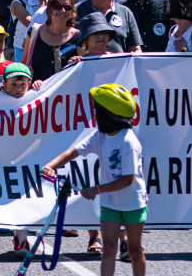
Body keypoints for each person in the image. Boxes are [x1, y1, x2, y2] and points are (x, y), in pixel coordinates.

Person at [42, 84, 147, 276]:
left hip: (133, 203)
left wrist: (96, 189)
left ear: (110, 117)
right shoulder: (101, 136)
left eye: (98, 113)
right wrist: (51, 166)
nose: (95, 117)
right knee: (108, 248)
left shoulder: (128, 142)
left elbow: (127, 180)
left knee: (133, 249)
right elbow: (72, 152)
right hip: (110, 203)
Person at [75, 0, 143, 54]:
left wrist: (134, 55)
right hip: (88, 67)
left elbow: (136, 49)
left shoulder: (125, 12)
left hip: (119, 67)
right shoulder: (76, 11)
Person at [22, 0, 81, 88]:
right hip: (37, 97)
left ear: (72, 11)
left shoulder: (78, 36)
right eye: (57, 7)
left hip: (67, 96)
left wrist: (79, 64)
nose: (63, 11)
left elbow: (84, 72)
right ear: (49, 9)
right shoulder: (34, 32)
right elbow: (23, 66)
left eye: (67, 7)